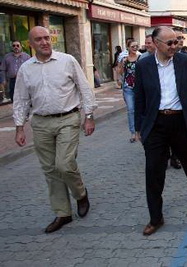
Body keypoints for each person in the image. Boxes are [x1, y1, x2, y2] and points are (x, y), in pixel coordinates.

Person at [13, 26, 97, 233]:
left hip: (67, 118)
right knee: (50, 170)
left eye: (47, 38)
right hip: (40, 123)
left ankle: (80, 194)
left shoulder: (67, 61)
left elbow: (84, 88)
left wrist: (89, 116)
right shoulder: (26, 69)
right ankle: (63, 213)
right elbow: (21, 99)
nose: (44, 42)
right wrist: (19, 128)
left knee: (65, 164)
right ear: (30, 44)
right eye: (39, 40)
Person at [134, 26, 187, 236]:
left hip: (180, 121)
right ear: (156, 43)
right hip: (156, 124)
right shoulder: (144, 65)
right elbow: (138, 97)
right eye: (169, 43)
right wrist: (138, 128)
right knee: (153, 171)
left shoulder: (185, 61)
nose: (174, 46)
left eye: (176, 42)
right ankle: (156, 217)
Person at [118, 39, 141, 143]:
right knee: (131, 109)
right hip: (128, 87)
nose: (135, 48)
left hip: (139, 87)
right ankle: (133, 132)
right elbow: (120, 72)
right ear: (128, 48)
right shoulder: (124, 59)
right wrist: (122, 66)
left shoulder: (140, 58)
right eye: (133, 46)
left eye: (136, 46)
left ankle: (140, 130)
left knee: (140, 109)